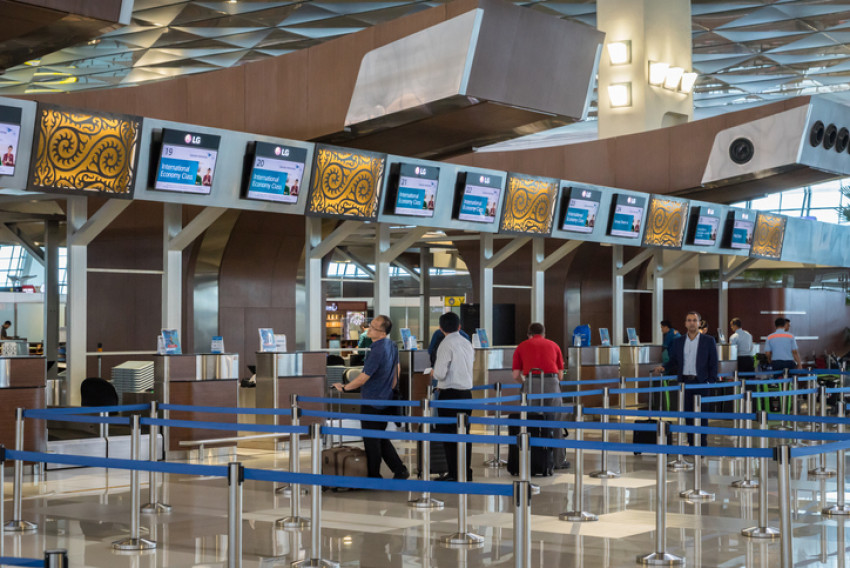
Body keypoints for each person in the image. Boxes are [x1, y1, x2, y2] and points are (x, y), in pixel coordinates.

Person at [332, 315, 409, 480]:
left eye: (373, 327)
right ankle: (400, 469)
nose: (369, 329)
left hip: (372, 400)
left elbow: (363, 377)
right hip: (386, 398)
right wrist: (391, 388)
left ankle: (374, 475)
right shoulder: (392, 345)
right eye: (370, 326)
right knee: (380, 437)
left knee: (371, 441)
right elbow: (397, 369)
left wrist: (345, 387)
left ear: (382, 333)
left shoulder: (377, 349)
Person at [512, 322, 569, 469]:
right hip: (552, 383)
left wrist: (525, 383)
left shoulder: (521, 346)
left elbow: (516, 374)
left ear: (529, 334)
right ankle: (557, 461)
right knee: (556, 422)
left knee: (530, 423)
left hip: (531, 384)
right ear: (544, 333)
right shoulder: (554, 345)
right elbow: (561, 375)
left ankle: (532, 460)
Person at [657, 311, 718, 446]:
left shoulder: (708, 341)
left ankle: (701, 444)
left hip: (701, 382)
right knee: (688, 414)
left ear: (699, 323)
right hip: (685, 383)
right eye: (689, 320)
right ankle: (691, 443)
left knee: (702, 415)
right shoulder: (679, 342)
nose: (692, 323)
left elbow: (713, 362)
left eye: (694, 320)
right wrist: (664, 367)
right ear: (685, 323)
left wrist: (711, 381)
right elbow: (674, 360)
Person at [432, 312, 474, 482]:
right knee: (465, 434)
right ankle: (465, 471)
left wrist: (433, 372)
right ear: (459, 326)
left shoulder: (445, 344)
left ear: (441, 328)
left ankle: (454, 473)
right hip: (466, 394)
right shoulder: (466, 342)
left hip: (449, 394)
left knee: (450, 435)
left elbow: (441, 374)